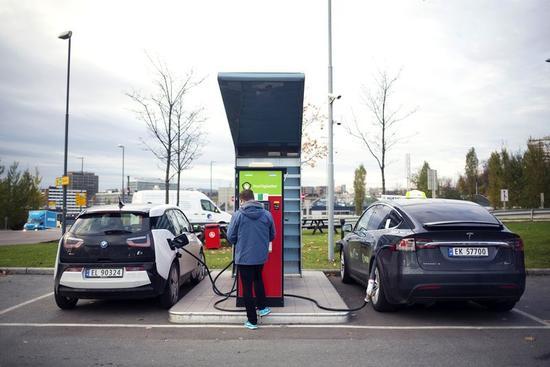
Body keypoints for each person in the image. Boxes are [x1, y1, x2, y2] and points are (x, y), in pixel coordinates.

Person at [227, 189, 275, 330]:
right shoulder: (267, 214)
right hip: (260, 256)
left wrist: (240, 241)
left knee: (247, 288)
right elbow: (272, 235)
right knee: (258, 279)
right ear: (254, 198)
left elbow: (231, 236)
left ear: (242, 200)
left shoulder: (237, 215)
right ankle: (262, 307)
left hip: (244, 257)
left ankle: (252, 321)